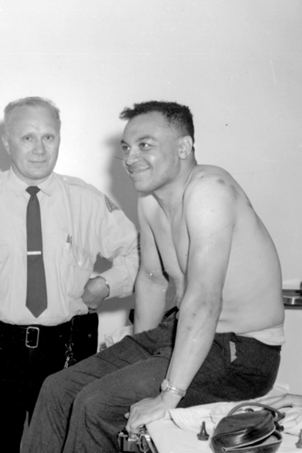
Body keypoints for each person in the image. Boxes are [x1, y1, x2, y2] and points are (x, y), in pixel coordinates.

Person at [21, 101, 284, 453]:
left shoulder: (210, 189)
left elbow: (204, 300)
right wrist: (139, 348)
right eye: (127, 148)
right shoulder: (150, 201)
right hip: (180, 334)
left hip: (243, 352)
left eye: (145, 145)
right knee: (57, 389)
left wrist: (169, 394)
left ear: (184, 147)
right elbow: (152, 279)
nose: (131, 158)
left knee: (97, 404)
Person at [0, 96, 139, 453]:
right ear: (7, 142)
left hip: (67, 350)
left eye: (48, 137)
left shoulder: (87, 201)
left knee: (68, 447)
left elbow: (137, 254)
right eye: (27, 138)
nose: (39, 149)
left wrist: (108, 283)